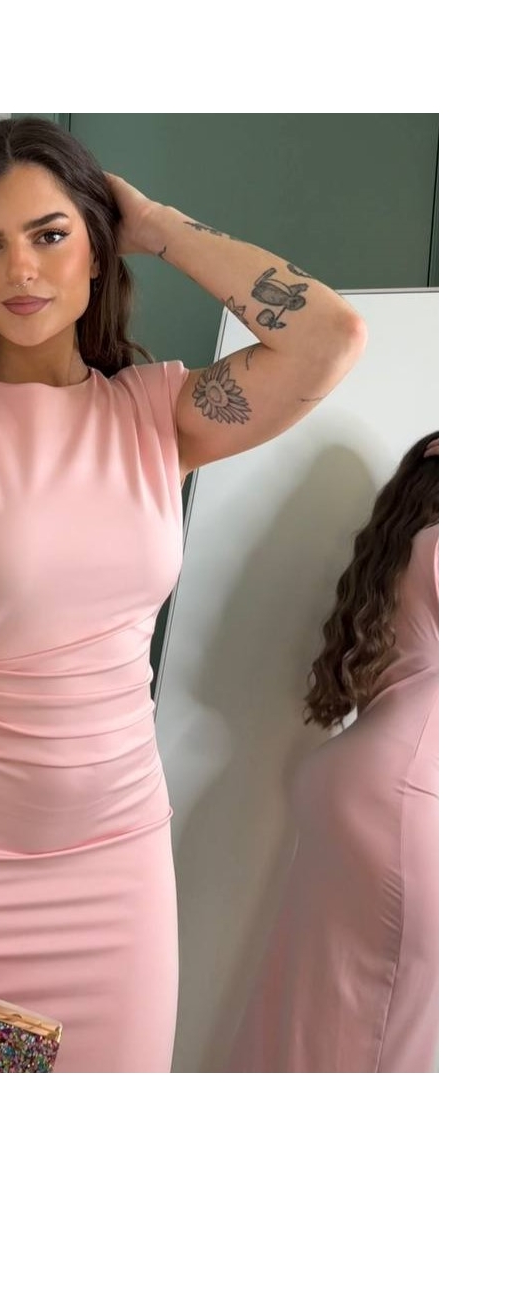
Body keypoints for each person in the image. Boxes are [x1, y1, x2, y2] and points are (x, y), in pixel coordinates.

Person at [0, 117, 366, 1072]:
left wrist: (160, 227)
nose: (19, 269)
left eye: (50, 234)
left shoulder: (159, 415)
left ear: (99, 251)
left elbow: (329, 336)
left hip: (120, 859)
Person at [229, 432, 439, 1072]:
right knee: (389, 1042)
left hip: (364, 786)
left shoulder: (414, 549)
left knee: (309, 1016)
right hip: (410, 798)